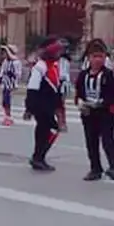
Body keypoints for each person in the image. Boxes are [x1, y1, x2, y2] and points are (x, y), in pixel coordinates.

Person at [75, 39, 114, 181]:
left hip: (104, 113)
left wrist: (102, 104)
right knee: (91, 141)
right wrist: (82, 104)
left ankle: (113, 166)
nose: (97, 60)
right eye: (94, 56)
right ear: (89, 58)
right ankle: (95, 168)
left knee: (107, 140)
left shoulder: (108, 75)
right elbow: (79, 93)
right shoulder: (83, 75)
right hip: (88, 113)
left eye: (100, 56)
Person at [24, 37, 64, 171]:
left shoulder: (54, 66)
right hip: (40, 106)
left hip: (49, 106)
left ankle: (39, 157)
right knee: (48, 130)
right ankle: (38, 157)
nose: (59, 54)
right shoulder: (40, 66)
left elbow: (57, 88)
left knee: (47, 130)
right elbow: (32, 88)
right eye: (57, 51)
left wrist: (59, 107)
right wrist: (29, 108)